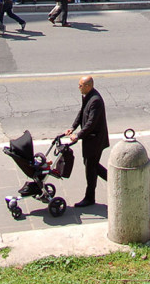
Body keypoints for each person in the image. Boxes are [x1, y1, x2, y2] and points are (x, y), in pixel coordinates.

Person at [65, 76, 109, 207]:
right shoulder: (87, 95)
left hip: (95, 140)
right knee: (92, 165)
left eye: (80, 85)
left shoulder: (95, 100)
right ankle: (116, 182)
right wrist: (73, 127)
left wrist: (77, 135)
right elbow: (82, 112)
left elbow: (91, 123)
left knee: (90, 168)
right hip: (90, 139)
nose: (79, 88)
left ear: (88, 86)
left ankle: (90, 198)